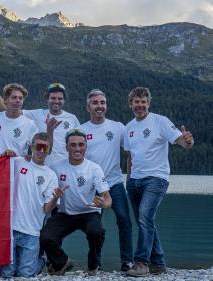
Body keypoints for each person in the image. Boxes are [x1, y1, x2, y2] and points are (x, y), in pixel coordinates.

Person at [124, 87, 194, 277]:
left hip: (156, 179)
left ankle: (141, 263)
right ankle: (159, 263)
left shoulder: (160, 121)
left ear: (149, 103)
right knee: (145, 222)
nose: (140, 105)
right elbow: (130, 156)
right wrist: (129, 180)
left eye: (143, 102)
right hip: (134, 182)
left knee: (145, 217)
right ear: (131, 104)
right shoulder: (128, 127)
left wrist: (187, 141)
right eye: (136, 102)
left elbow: (180, 140)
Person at [40, 129, 112, 276]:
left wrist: (103, 204)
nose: (77, 148)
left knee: (97, 232)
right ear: (66, 147)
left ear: (86, 146)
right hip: (65, 213)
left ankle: (93, 265)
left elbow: (108, 199)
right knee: (45, 237)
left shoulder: (94, 168)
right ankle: (62, 262)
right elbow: (39, 168)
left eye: (81, 144)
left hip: (89, 213)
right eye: (73, 145)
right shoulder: (56, 167)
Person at [80, 89, 134, 272]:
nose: (99, 106)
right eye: (95, 103)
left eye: (102, 102)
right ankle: (96, 262)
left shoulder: (118, 127)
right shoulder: (82, 130)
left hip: (115, 183)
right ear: (88, 107)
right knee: (95, 227)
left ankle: (128, 261)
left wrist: (132, 176)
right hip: (92, 186)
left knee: (124, 220)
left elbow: (132, 150)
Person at [0, 132, 60, 278]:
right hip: (10, 229)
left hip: (32, 232)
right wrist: (5, 155)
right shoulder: (18, 161)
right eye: (38, 146)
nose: (41, 151)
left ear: (49, 150)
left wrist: (54, 199)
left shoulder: (51, 175)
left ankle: (41, 261)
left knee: (25, 275)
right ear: (32, 146)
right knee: (6, 274)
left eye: (45, 148)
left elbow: (46, 209)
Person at [0, 81, 79, 162]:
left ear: (64, 100)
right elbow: (9, 109)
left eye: (60, 98)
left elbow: (79, 142)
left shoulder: (72, 118)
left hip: (64, 165)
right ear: (47, 99)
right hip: (42, 164)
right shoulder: (36, 115)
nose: (56, 101)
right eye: (53, 98)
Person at [0, 83, 39, 158]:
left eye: (20, 98)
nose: (18, 100)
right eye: (14, 97)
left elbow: (37, 149)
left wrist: (28, 159)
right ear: (5, 100)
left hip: (15, 168)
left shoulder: (29, 124)